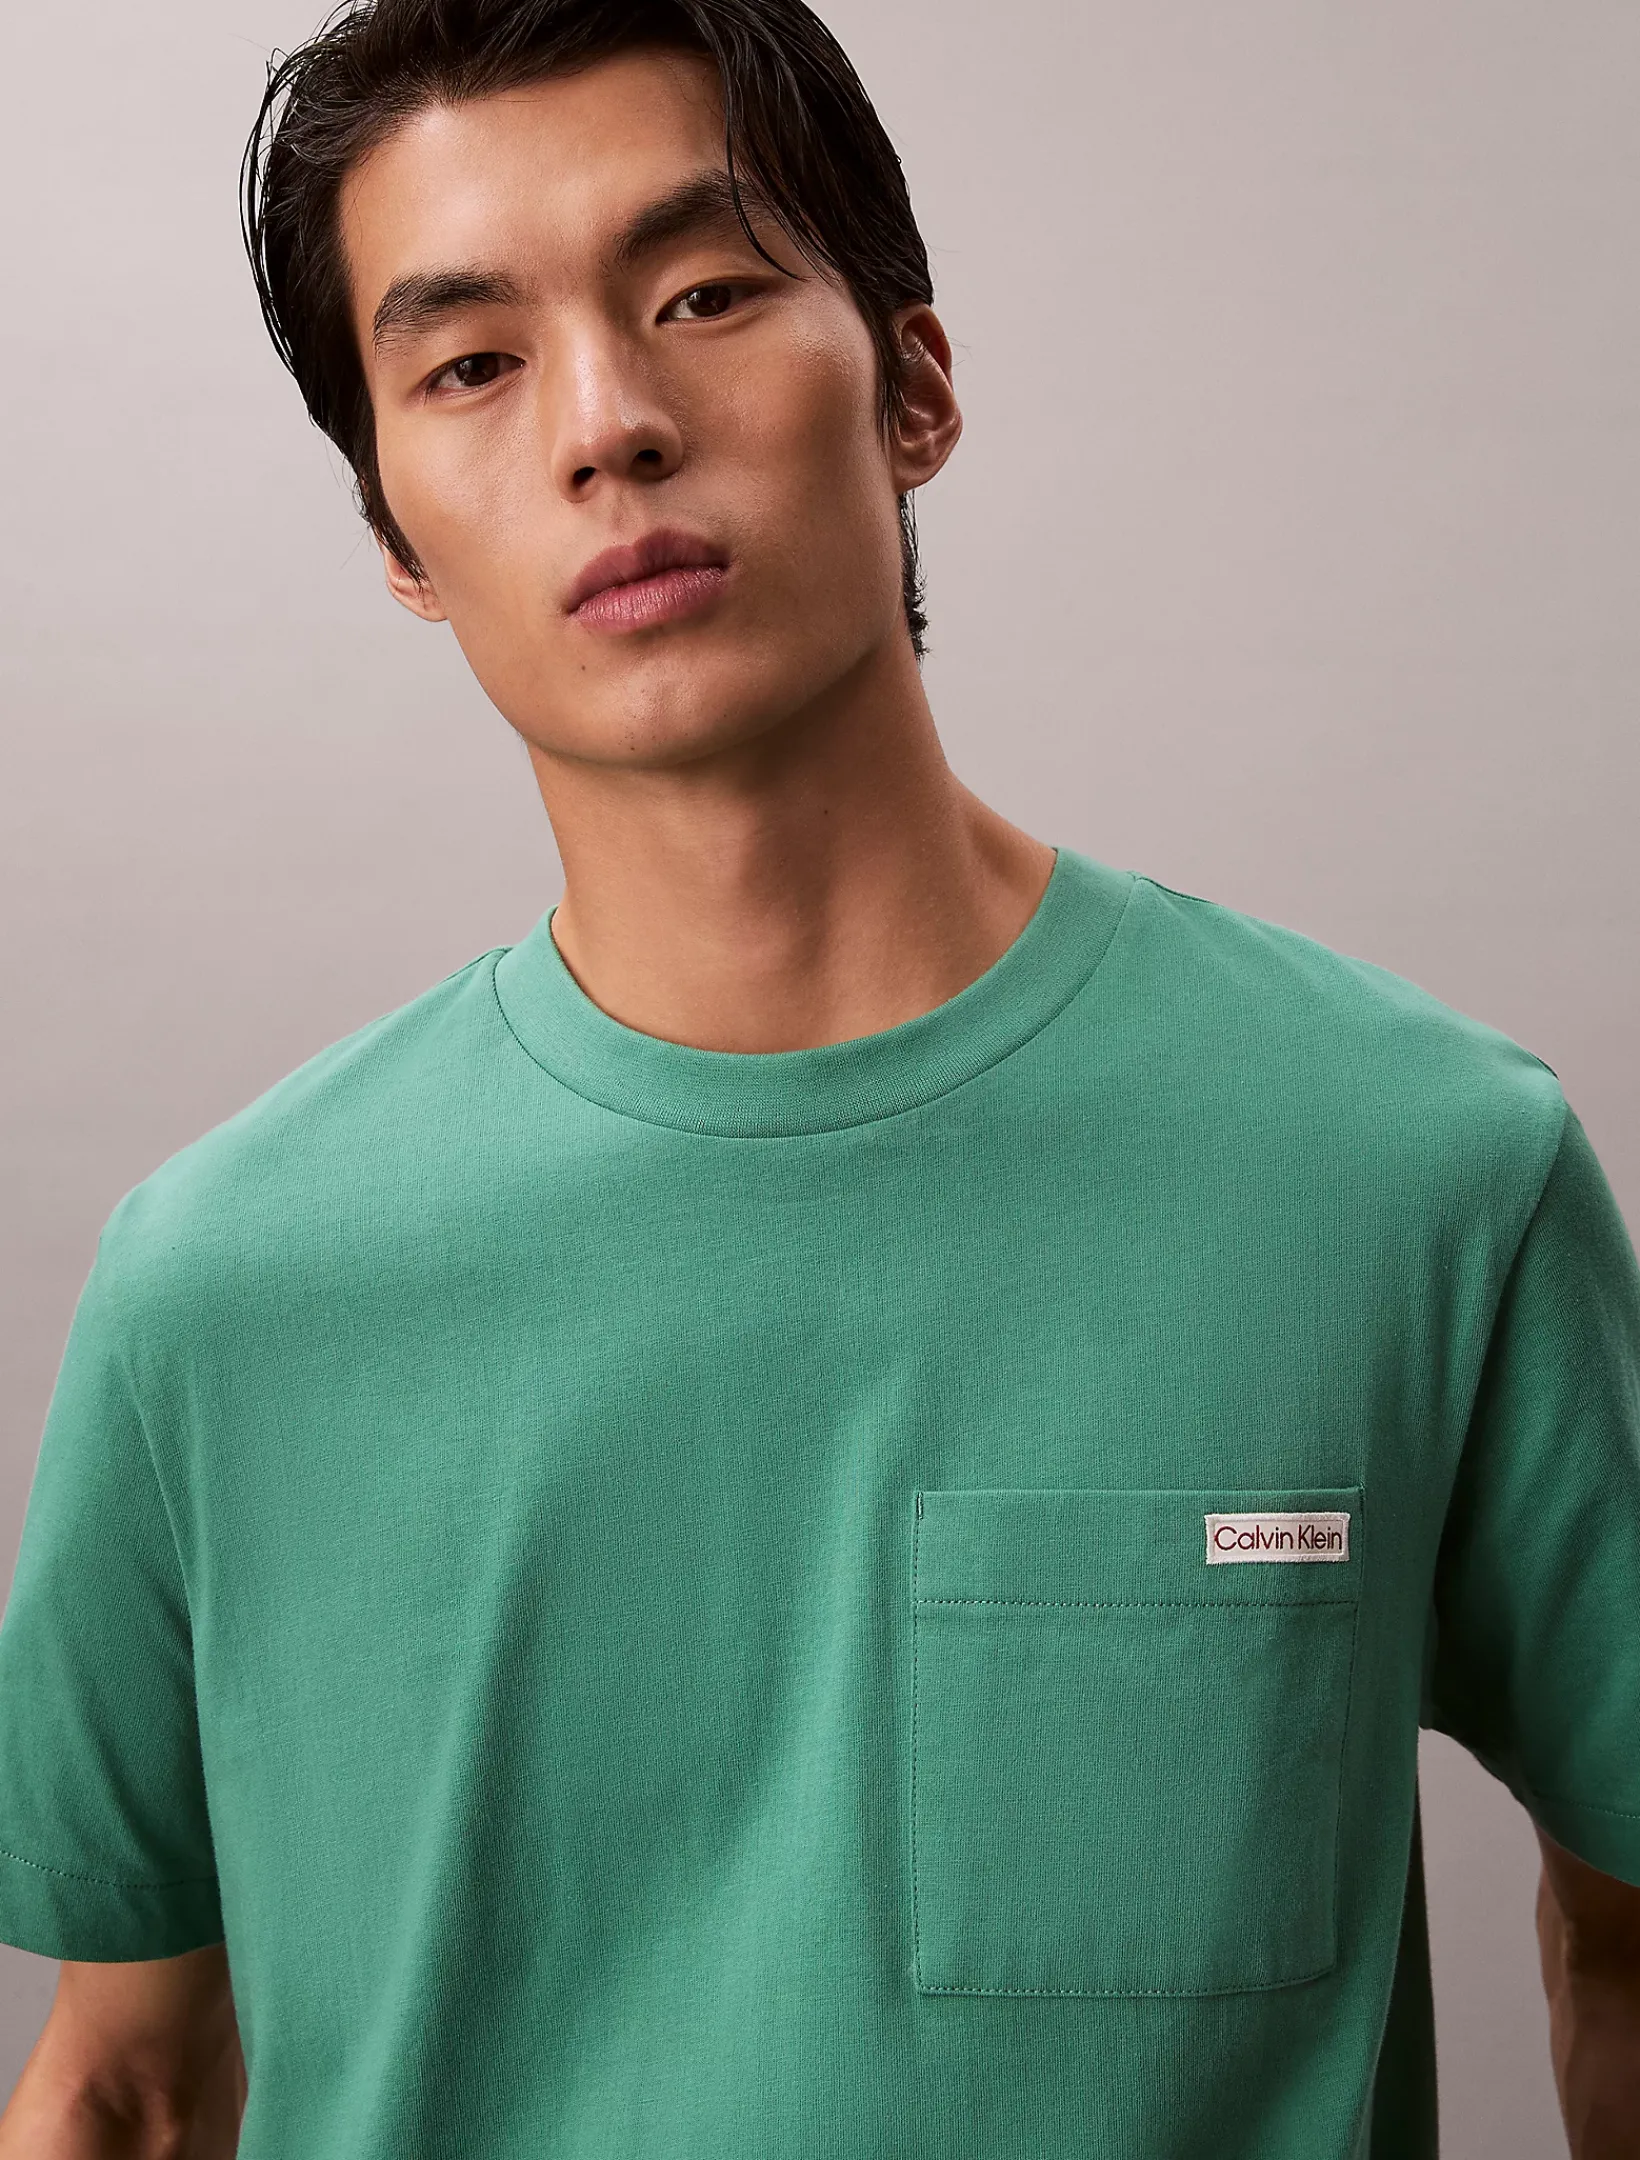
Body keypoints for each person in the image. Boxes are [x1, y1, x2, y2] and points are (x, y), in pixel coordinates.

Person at [0, 1, 1635, 2153]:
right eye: (470, 364)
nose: (609, 426)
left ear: (914, 388)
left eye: (702, 293)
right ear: (395, 535)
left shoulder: (1418, 1172)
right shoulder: (223, 1293)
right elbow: (120, 2088)